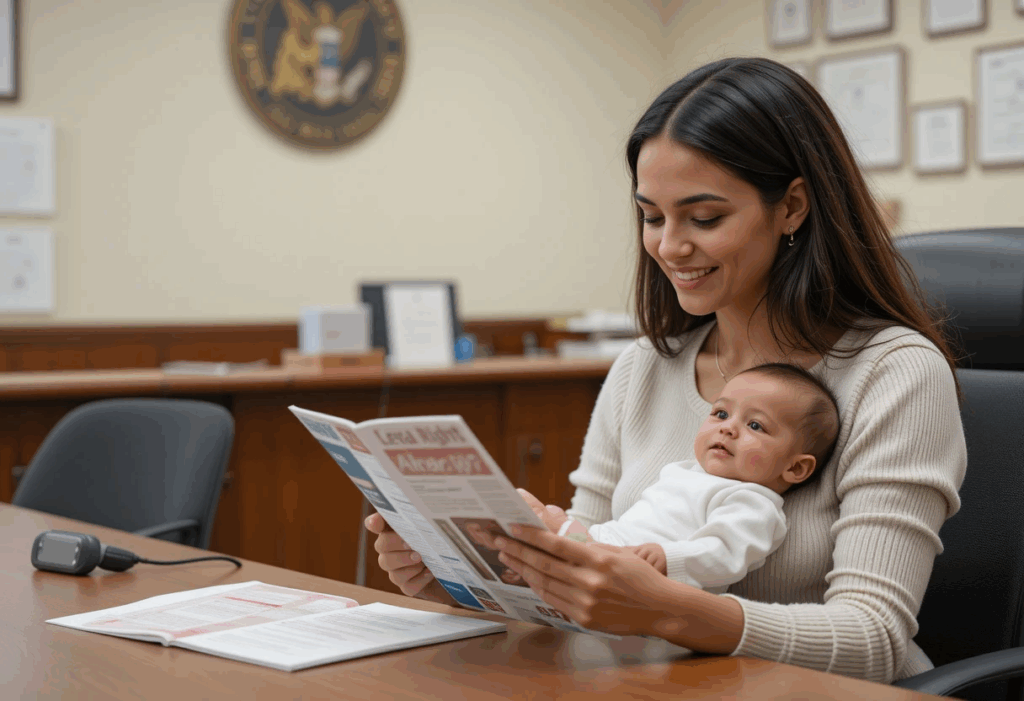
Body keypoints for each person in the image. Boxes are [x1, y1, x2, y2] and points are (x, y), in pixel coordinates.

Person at [365, 56, 967, 684]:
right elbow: (589, 574)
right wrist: (469, 577)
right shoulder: (643, 368)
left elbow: (873, 639)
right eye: (652, 216)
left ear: (792, 206)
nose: (669, 247)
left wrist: (667, 609)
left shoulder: (896, 375)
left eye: (704, 218)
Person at [547, 362, 839, 591]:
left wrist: (669, 558)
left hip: (636, 576)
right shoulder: (686, 471)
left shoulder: (752, 503)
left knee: (539, 521)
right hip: (602, 545)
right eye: (721, 414)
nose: (728, 429)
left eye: (755, 425)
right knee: (535, 521)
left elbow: (724, 553)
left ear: (795, 468)